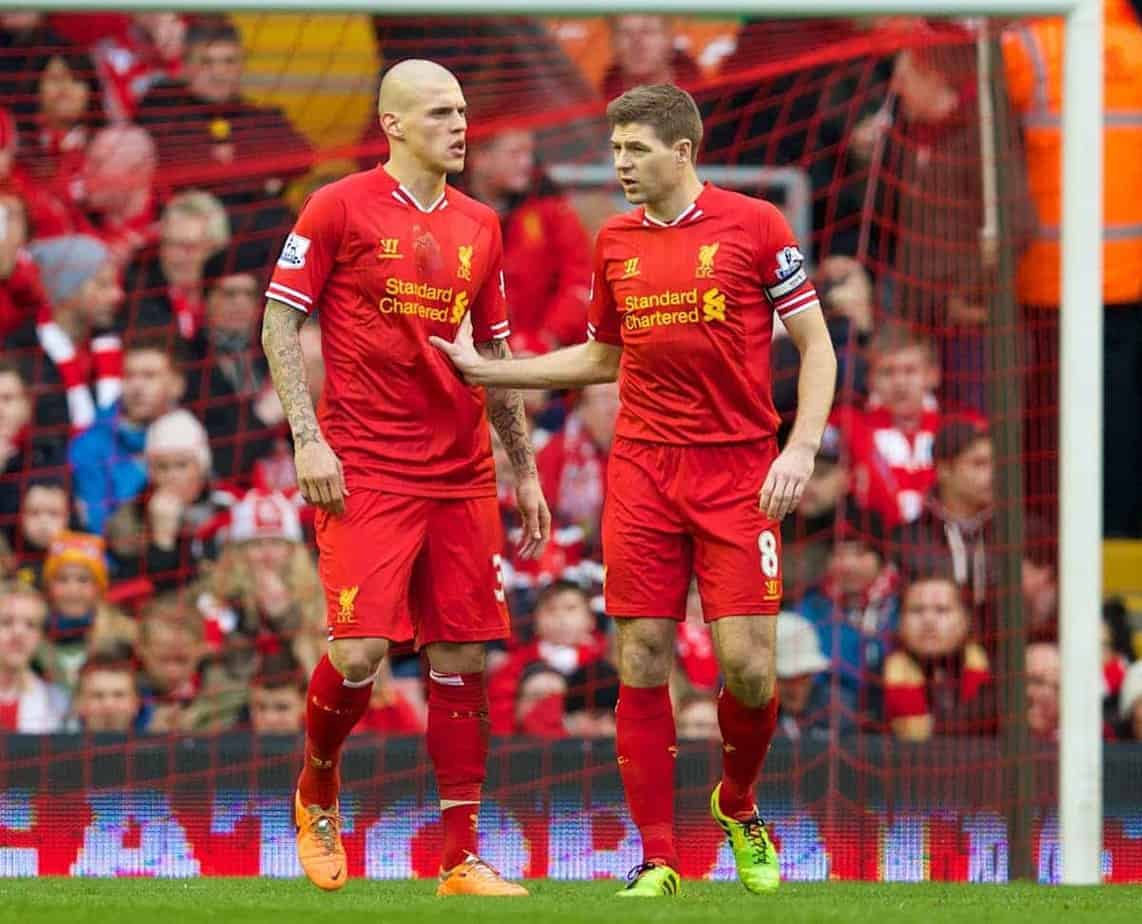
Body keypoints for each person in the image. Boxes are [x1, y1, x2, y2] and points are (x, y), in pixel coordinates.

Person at [432, 83, 837, 896]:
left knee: (750, 669)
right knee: (642, 655)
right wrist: (493, 371)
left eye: (636, 149)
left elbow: (818, 349)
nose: (620, 163)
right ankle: (656, 857)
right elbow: (603, 358)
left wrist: (799, 449)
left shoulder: (758, 226)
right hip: (646, 472)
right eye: (615, 149)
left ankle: (738, 803)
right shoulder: (612, 240)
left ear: (681, 152)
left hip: (738, 474)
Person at [260, 58, 550, 896]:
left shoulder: (480, 224)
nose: (459, 126)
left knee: (463, 655)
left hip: (459, 472)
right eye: (438, 113)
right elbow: (281, 322)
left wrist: (521, 468)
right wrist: (307, 439)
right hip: (366, 467)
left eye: (463, 110)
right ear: (391, 124)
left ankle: (459, 859)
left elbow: (493, 353)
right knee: (358, 652)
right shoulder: (337, 205)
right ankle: (317, 785)